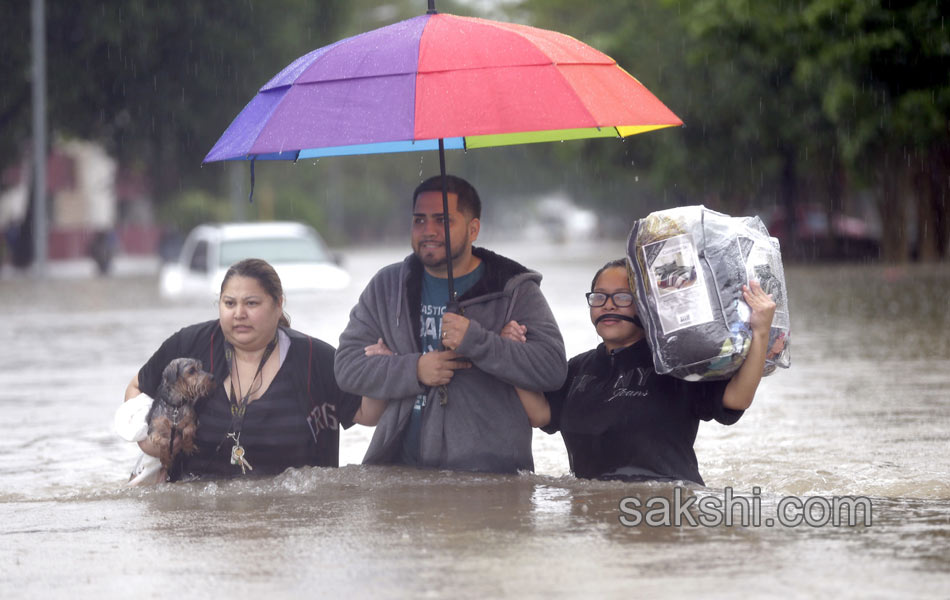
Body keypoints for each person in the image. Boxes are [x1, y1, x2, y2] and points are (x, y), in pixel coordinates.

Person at [334, 174, 567, 473]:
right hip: (397, 471)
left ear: (473, 229)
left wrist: (478, 341)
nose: (428, 231)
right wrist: (414, 368)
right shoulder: (388, 286)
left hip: (491, 478)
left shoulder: (512, 289)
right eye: (419, 220)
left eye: (443, 220)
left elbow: (552, 369)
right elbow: (347, 369)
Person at [509, 258, 776, 486]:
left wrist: (761, 332)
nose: (608, 305)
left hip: (663, 511)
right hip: (592, 523)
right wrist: (513, 356)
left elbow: (736, 399)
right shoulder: (577, 368)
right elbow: (542, 414)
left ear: (648, 306)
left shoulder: (675, 362)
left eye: (623, 297)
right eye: (599, 296)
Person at [119, 258, 361, 481]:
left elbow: (366, 413)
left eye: (251, 303)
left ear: (278, 304)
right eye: (229, 303)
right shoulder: (190, 345)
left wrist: (379, 365)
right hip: (197, 516)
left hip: (291, 517)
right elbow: (137, 388)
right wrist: (148, 436)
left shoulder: (314, 358)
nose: (239, 314)